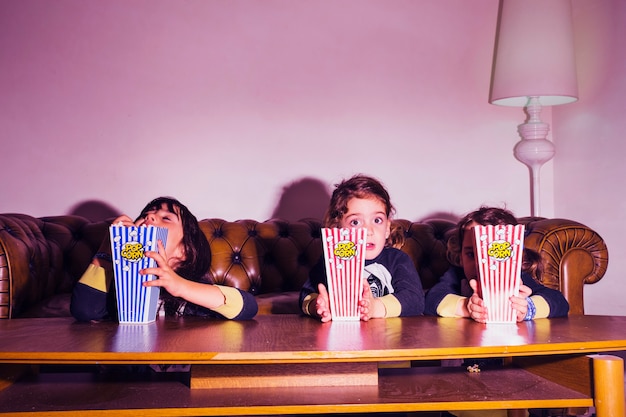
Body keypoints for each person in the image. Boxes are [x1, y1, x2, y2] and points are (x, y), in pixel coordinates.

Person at [70, 196, 258, 322]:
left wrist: (180, 286)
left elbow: (248, 306)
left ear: (184, 251)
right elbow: (84, 310)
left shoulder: (194, 293)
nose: (150, 217)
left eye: (166, 218)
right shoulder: (118, 286)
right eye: (145, 215)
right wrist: (110, 246)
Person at [299, 174, 424, 322]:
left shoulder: (397, 260)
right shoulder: (331, 261)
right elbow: (306, 294)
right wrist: (318, 306)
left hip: (388, 339)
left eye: (377, 220)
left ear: (387, 229)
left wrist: (376, 307)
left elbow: (415, 300)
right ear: (338, 229)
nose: (369, 230)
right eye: (356, 222)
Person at [425, 205, 569, 322]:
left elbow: (559, 301)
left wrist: (528, 308)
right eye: (471, 254)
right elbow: (431, 299)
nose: (480, 264)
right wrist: (466, 307)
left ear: (514, 256)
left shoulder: (517, 280)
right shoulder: (456, 276)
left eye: (493, 254)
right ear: (460, 256)